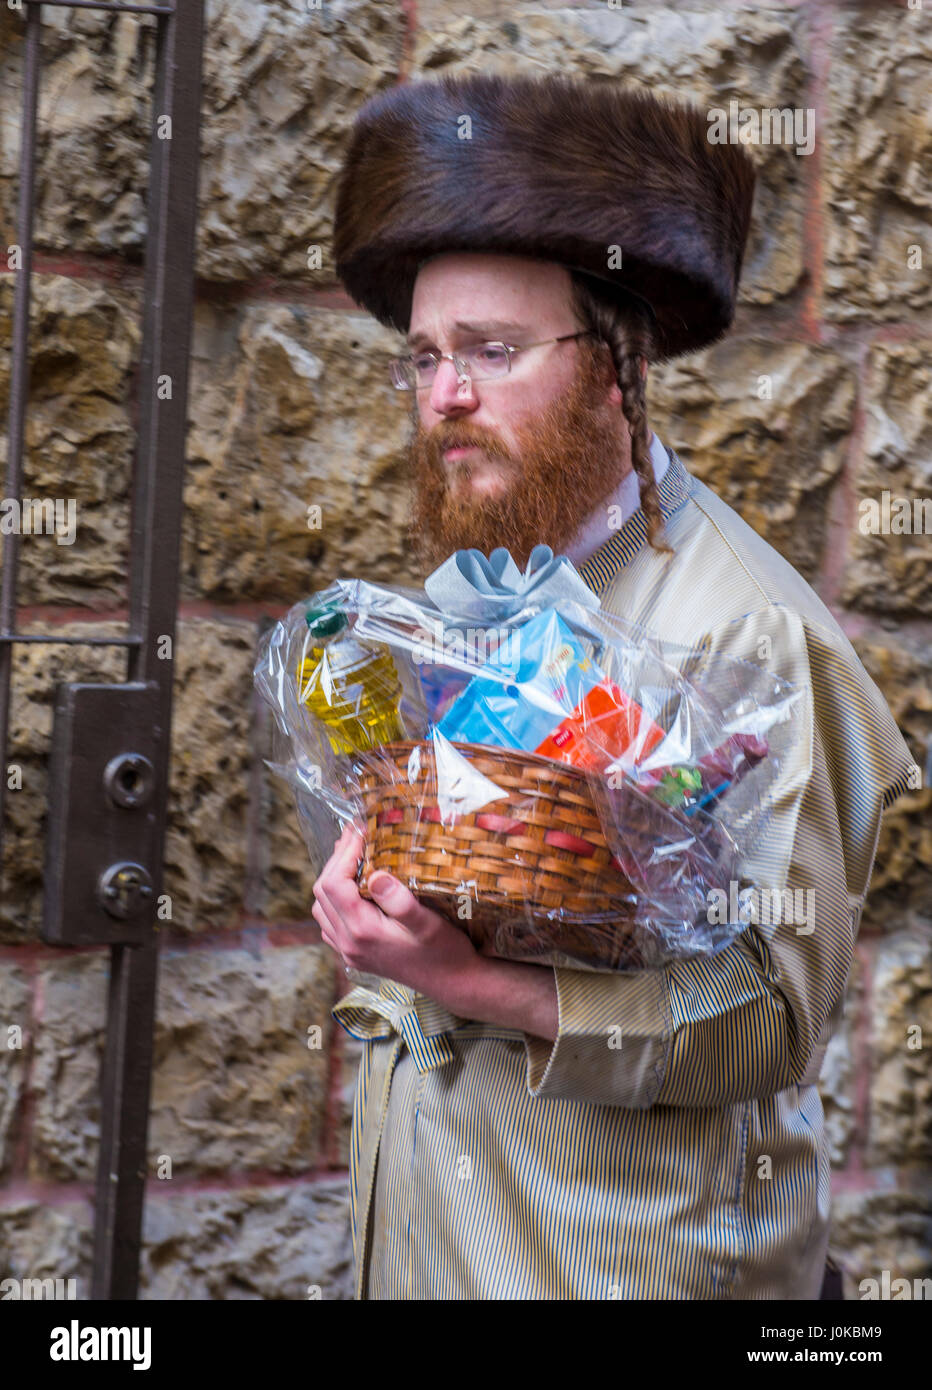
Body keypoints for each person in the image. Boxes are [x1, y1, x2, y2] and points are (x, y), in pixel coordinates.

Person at [310, 71, 916, 1299]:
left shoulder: (742, 633)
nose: (445, 398)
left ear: (614, 365)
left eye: (489, 349)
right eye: (424, 358)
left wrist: (473, 984)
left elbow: (767, 1020)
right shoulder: (470, 600)